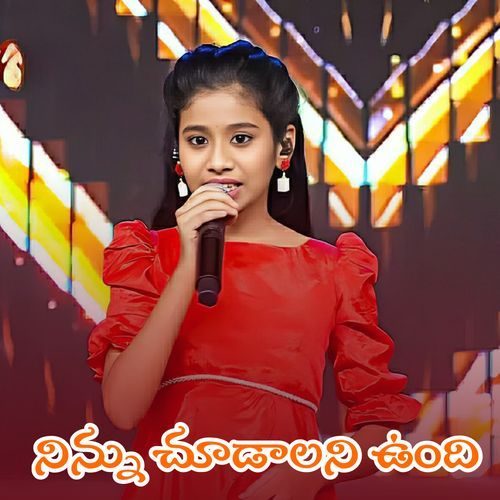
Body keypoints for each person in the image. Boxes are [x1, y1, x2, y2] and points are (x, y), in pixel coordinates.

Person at [87, 40, 421, 500]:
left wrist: (313, 471)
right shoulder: (146, 256)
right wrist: (186, 267)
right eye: (198, 140)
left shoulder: (333, 270)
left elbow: (379, 427)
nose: (218, 161)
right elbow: (124, 409)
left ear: (284, 146)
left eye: (241, 139)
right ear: (178, 154)